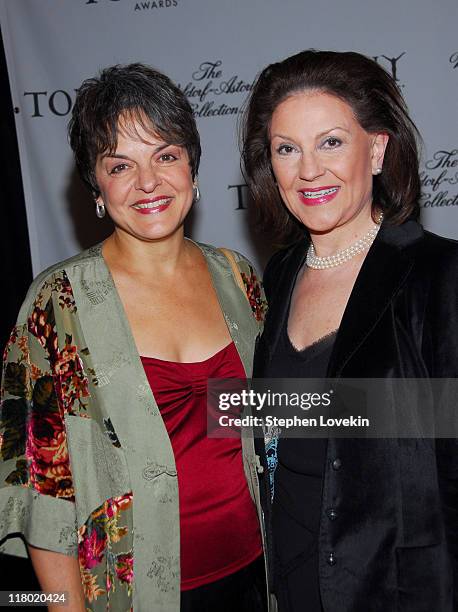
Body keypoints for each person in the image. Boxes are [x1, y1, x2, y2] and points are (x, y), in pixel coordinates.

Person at [0, 63, 269, 611]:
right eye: (121, 165)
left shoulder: (238, 276)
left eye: (166, 156)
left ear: (192, 166)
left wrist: (408, 411)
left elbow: (268, 420)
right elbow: (41, 488)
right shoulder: (57, 304)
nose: (149, 183)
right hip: (131, 594)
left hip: (261, 574)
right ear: (96, 185)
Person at [241, 50, 458, 612]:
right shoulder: (280, 274)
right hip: (289, 580)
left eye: (331, 142)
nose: (309, 169)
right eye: (287, 149)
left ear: (378, 148)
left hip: (394, 589)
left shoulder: (438, 274)